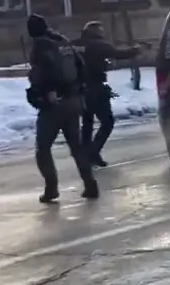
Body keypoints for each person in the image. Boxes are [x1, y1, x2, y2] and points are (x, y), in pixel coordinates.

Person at [25, 14, 99, 203]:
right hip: (73, 101)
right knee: (76, 145)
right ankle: (90, 184)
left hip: (54, 103)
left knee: (43, 147)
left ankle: (51, 188)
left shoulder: (40, 46)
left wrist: (41, 93)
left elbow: (41, 74)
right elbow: (81, 65)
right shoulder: (62, 41)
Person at [70, 21, 140, 167]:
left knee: (87, 122)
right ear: (98, 33)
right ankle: (93, 152)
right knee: (107, 122)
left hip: (77, 89)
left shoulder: (74, 45)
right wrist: (136, 49)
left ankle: (84, 154)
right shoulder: (99, 45)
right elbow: (119, 54)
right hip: (95, 87)